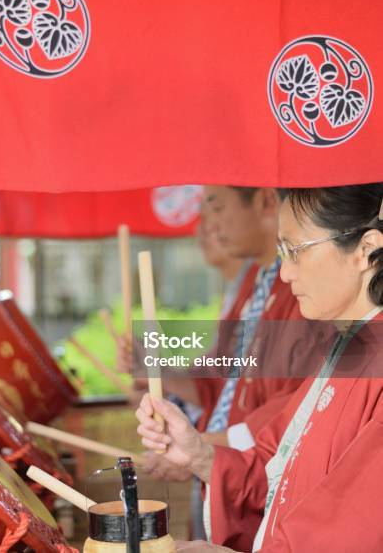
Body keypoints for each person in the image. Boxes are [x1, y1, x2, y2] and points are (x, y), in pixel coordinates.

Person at [137, 184, 383, 552]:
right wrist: (200, 454)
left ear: (366, 250)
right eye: (282, 252)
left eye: (296, 251)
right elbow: (276, 462)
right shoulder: (346, 349)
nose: (285, 274)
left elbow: (352, 533)